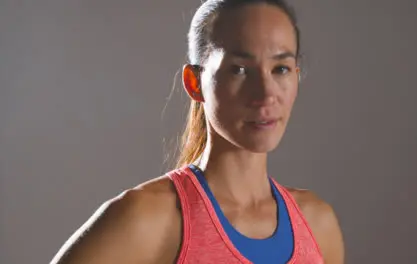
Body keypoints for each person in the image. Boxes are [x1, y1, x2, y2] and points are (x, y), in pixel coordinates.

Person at [50, 0, 344, 263]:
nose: (266, 94)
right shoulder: (149, 219)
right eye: (239, 69)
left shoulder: (317, 224)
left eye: (280, 68)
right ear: (194, 82)